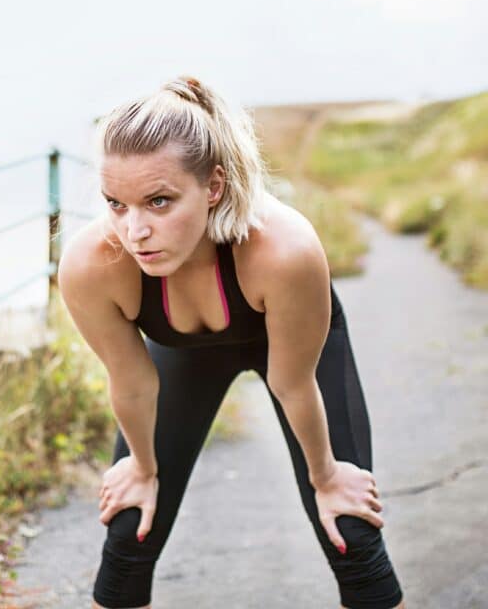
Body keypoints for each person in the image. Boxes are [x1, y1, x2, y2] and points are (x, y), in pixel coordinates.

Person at [57, 76, 405, 609]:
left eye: (159, 201)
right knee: (131, 527)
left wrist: (327, 477)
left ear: (213, 186)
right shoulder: (93, 264)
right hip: (185, 355)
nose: (136, 231)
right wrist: (143, 470)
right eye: (116, 203)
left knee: (351, 533)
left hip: (293, 351)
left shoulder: (284, 251)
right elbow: (131, 382)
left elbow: (293, 384)